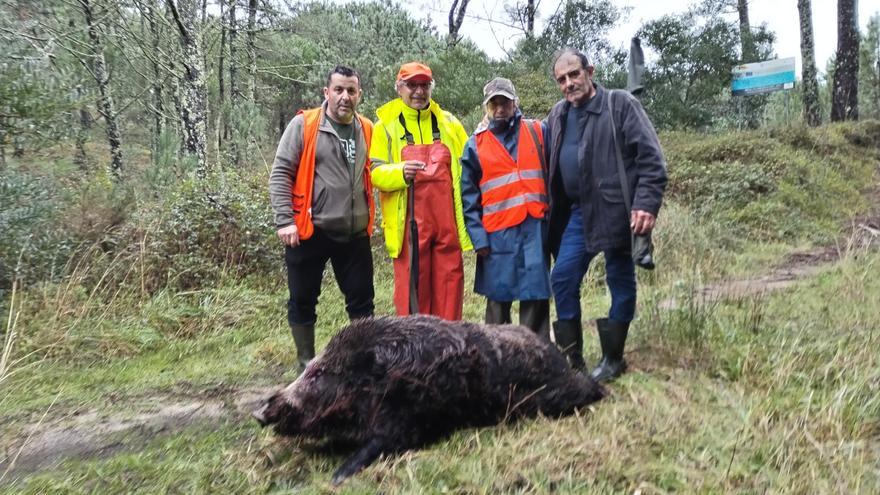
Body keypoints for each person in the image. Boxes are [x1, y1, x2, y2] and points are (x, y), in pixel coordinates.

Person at [545, 49, 667, 381]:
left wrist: (646, 204)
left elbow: (652, 160)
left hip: (618, 211)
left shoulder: (620, 104)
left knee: (619, 279)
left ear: (590, 71)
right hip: (577, 214)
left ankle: (613, 359)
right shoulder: (557, 115)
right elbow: (537, 143)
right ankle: (574, 364)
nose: (569, 83)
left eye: (574, 74)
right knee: (562, 278)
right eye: (562, 79)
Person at [269, 65, 375, 372]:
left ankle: (361, 366)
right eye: (339, 90)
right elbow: (280, 173)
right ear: (325, 92)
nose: (345, 97)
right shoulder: (304, 124)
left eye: (351, 91)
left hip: (354, 232)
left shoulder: (367, 128)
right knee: (303, 300)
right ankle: (306, 366)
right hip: (309, 231)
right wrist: (284, 220)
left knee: (362, 304)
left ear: (359, 95)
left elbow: (380, 171)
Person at [370, 62, 472, 320]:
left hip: (448, 227)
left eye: (424, 85)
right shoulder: (385, 127)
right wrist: (400, 173)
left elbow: (472, 166)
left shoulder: (449, 123)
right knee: (413, 297)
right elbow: (375, 174)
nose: (418, 91)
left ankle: (450, 352)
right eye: (411, 85)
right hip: (409, 230)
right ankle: (415, 356)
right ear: (399, 88)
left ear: (431, 87)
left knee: (449, 290)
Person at [460, 77, 551, 337]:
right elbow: (469, 199)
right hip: (496, 237)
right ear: (486, 107)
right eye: (494, 103)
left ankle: (537, 360)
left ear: (515, 103)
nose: (500, 109)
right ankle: (498, 362)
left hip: (534, 230)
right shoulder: (474, 145)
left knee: (536, 298)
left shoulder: (537, 131)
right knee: (498, 304)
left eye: (505, 102)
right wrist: (478, 239)